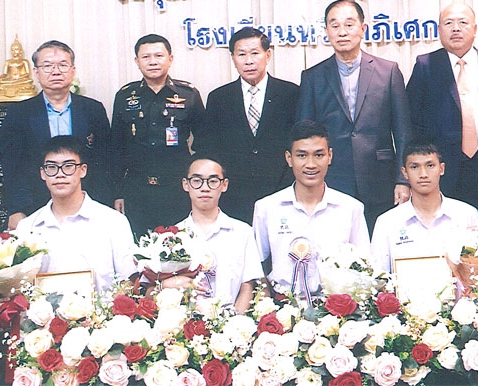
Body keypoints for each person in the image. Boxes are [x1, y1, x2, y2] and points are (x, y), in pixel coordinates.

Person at [296, 0, 412, 234]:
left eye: (349, 25)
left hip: (380, 179)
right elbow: (304, 136)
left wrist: (403, 179)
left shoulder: (388, 71)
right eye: (335, 26)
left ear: (363, 28)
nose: (342, 32)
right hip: (332, 179)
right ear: (327, 31)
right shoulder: (313, 77)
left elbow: (403, 131)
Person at [406, 3, 478, 227]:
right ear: (439, 30)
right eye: (448, 23)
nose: (456, 28)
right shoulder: (426, 65)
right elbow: (414, 121)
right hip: (443, 168)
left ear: (475, 29)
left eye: (463, 22)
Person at [253, 120, 370, 301]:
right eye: (302, 155)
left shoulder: (351, 208)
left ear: (330, 156)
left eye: (319, 155)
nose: (311, 164)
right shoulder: (267, 207)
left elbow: (365, 266)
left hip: (335, 308)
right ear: (289, 158)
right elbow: (256, 265)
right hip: (282, 305)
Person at [1, 40, 112, 230]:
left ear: (73, 70)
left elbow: (105, 161)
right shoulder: (18, 114)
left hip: (87, 204)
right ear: (36, 72)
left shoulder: (92, 109)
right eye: (47, 66)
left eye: (62, 65)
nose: (56, 71)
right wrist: (16, 209)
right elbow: (13, 166)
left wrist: (105, 203)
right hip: (35, 205)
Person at [195, 27, 299, 224]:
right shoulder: (219, 98)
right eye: (241, 54)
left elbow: (297, 145)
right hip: (234, 196)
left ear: (268, 55)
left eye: (255, 53)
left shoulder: (290, 93)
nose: (248, 61)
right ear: (233, 58)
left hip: (281, 191)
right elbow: (209, 147)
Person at [110, 34, 206, 239]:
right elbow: (115, 148)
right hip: (137, 190)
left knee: (180, 246)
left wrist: (195, 184)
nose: (152, 61)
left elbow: (204, 144)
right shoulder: (125, 96)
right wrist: (118, 193)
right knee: (139, 248)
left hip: (177, 189)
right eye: (146, 57)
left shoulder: (188, 94)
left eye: (159, 55)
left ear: (170, 59)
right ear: (137, 61)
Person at [14, 135, 137, 292]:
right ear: (42, 173)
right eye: (51, 167)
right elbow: (20, 286)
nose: (59, 174)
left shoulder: (113, 222)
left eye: (68, 166)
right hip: (43, 308)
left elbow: (129, 281)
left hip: (102, 307)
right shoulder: (27, 227)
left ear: (82, 170)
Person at [153, 157, 263, 314]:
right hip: (183, 324)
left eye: (213, 181)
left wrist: (233, 322)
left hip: (230, 321)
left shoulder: (242, 232)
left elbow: (248, 287)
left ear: (224, 185)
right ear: (185, 184)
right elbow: (151, 290)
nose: (205, 188)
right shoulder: (170, 237)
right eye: (197, 181)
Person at [370, 141, 478, 274]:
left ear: (442, 169)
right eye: (414, 167)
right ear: (404, 173)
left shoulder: (466, 214)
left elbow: (477, 272)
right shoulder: (387, 222)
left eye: (430, 165)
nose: (423, 174)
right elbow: (378, 276)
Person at [0, 35, 37, 102]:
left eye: (16, 49)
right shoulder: (8, 62)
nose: (14, 51)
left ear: (20, 51)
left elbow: (27, 73)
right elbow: (5, 74)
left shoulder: (24, 61)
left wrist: (18, 79)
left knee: (29, 82)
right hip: (10, 80)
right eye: (12, 50)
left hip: (20, 80)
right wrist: (0, 78)